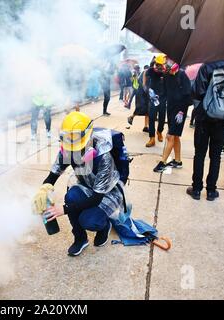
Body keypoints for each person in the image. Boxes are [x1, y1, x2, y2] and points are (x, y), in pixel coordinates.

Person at [33, 112, 126, 257]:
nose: (74, 152)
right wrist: (43, 189)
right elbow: (53, 176)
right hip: (87, 186)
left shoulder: (104, 157)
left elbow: (96, 198)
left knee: (89, 220)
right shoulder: (68, 149)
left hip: (108, 193)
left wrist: (64, 209)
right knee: (71, 196)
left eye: (77, 147)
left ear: (88, 138)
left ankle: (104, 225)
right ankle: (80, 238)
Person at [187, 60, 224, 201]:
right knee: (216, 156)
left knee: (199, 154)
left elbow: (196, 93)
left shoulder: (206, 67)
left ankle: (197, 189)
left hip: (204, 120)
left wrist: (200, 113)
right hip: (222, 121)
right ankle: (211, 191)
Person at [153, 59, 192, 173]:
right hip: (170, 108)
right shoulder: (166, 76)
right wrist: (156, 97)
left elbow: (188, 95)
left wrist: (181, 111)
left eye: (168, 68)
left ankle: (163, 162)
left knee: (170, 136)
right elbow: (164, 92)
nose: (167, 70)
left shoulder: (182, 75)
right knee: (175, 136)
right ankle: (178, 161)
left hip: (180, 111)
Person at [144, 54, 168, 148]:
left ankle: (159, 131)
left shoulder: (165, 72)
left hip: (163, 98)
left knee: (162, 117)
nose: (160, 66)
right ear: (156, 63)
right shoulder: (150, 70)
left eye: (162, 65)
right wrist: (146, 88)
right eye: (159, 64)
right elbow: (145, 79)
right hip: (153, 98)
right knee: (152, 118)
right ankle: (152, 138)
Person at [128, 65, 150, 132]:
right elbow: (141, 86)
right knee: (140, 109)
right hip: (141, 95)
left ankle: (146, 127)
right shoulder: (144, 73)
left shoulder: (142, 74)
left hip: (144, 95)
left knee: (147, 111)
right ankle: (131, 117)